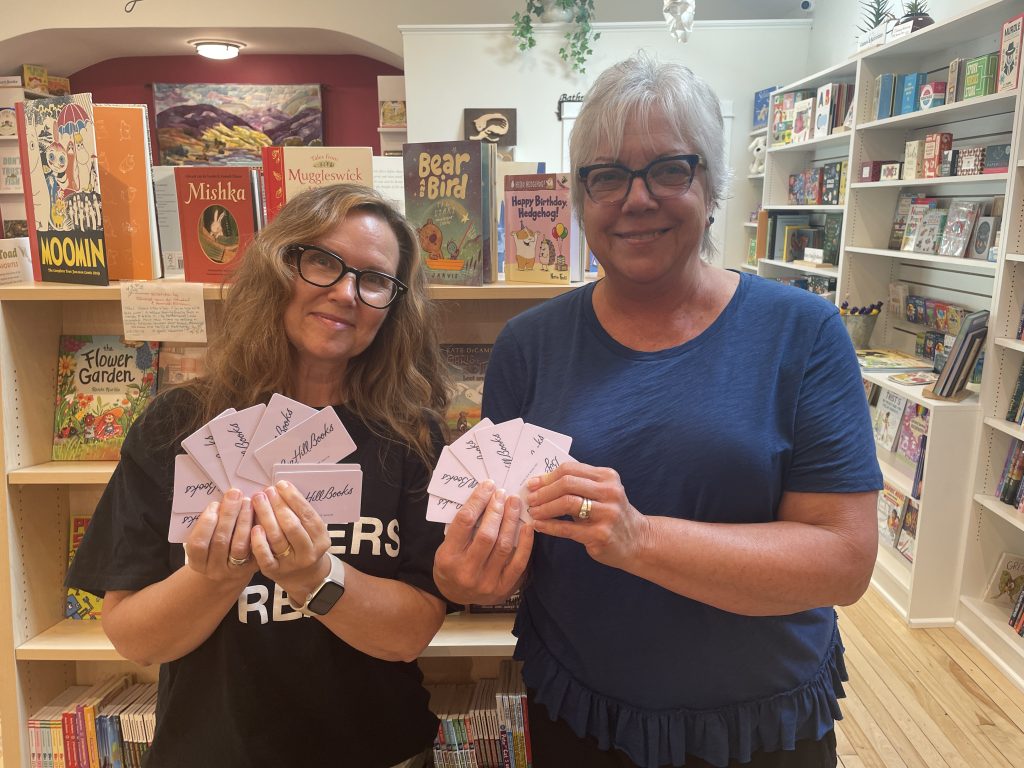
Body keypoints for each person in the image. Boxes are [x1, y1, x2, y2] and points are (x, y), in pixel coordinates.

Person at [433, 54, 882, 768]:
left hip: (759, 726)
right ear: (580, 200)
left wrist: (639, 538)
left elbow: (843, 563)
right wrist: (468, 575)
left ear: (711, 186)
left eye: (669, 168)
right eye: (606, 175)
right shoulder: (529, 346)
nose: (635, 199)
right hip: (582, 715)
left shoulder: (802, 333)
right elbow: (510, 547)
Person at [67, 184, 453, 768]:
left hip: (379, 749)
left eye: (374, 280)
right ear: (279, 266)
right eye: (323, 262)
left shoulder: (412, 435)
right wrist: (217, 577)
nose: (346, 293)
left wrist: (317, 577)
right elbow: (136, 638)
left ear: (394, 304)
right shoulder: (177, 425)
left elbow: (410, 633)